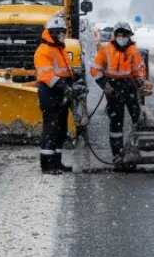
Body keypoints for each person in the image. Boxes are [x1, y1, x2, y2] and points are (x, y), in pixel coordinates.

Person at [89, 21, 146, 160]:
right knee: (116, 120)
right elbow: (95, 69)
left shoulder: (133, 51)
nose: (122, 37)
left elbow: (138, 69)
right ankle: (117, 154)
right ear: (115, 35)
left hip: (128, 86)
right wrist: (105, 84)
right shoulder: (106, 50)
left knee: (136, 115)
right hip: (113, 88)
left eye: (125, 35)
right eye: (119, 34)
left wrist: (140, 80)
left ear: (129, 36)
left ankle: (137, 148)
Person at [34, 15, 76, 174]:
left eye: (62, 32)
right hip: (49, 92)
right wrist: (63, 85)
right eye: (57, 32)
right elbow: (46, 75)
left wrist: (73, 76)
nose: (61, 35)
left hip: (60, 92)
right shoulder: (44, 50)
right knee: (51, 129)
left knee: (60, 129)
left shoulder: (60, 49)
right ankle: (47, 165)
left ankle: (57, 162)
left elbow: (64, 70)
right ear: (50, 33)